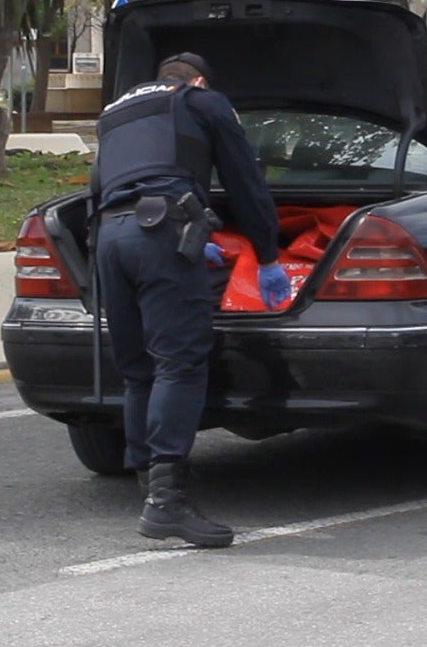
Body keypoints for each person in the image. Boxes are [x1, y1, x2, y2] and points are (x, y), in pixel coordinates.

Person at [91, 52, 290, 547]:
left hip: (109, 239)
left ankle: (148, 482)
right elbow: (244, 180)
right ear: (198, 81)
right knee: (179, 364)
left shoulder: (115, 113)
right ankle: (167, 503)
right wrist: (267, 254)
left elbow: (99, 188)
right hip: (161, 235)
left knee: (139, 368)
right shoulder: (202, 101)